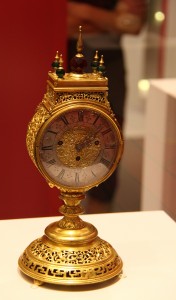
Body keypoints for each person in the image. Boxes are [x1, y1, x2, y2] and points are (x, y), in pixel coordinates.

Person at [67, 0, 147, 207]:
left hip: (108, 62)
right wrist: (109, 18)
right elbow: (59, 22)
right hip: (60, 54)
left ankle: (100, 211)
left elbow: (132, 24)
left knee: (108, 137)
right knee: (60, 133)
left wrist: (82, 11)